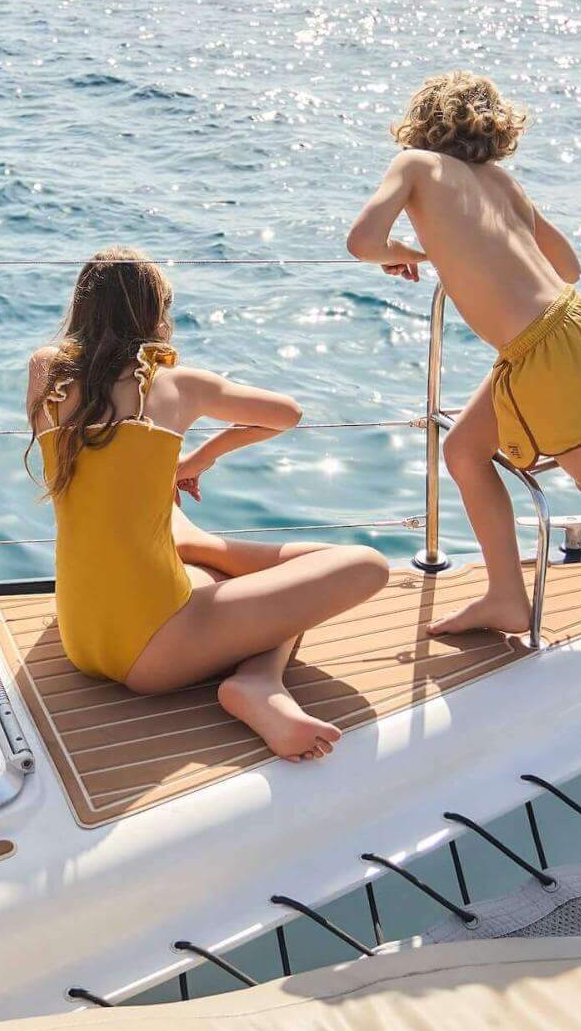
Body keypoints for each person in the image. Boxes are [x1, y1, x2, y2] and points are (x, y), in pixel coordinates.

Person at [346, 71, 581, 635]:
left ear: (420, 124)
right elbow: (568, 268)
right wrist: (472, 252)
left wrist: (414, 252)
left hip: (541, 348)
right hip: (575, 323)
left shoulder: (414, 165)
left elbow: (361, 242)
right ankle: (505, 597)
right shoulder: (502, 183)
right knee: (465, 451)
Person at [25, 247, 388, 761]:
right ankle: (257, 680)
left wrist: (166, 469)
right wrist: (202, 456)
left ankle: (203, 556)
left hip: (79, 633)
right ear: (157, 314)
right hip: (155, 653)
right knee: (365, 566)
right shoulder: (178, 385)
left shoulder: (45, 373)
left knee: (206, 568)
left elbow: (102, 478)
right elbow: (287, 414)